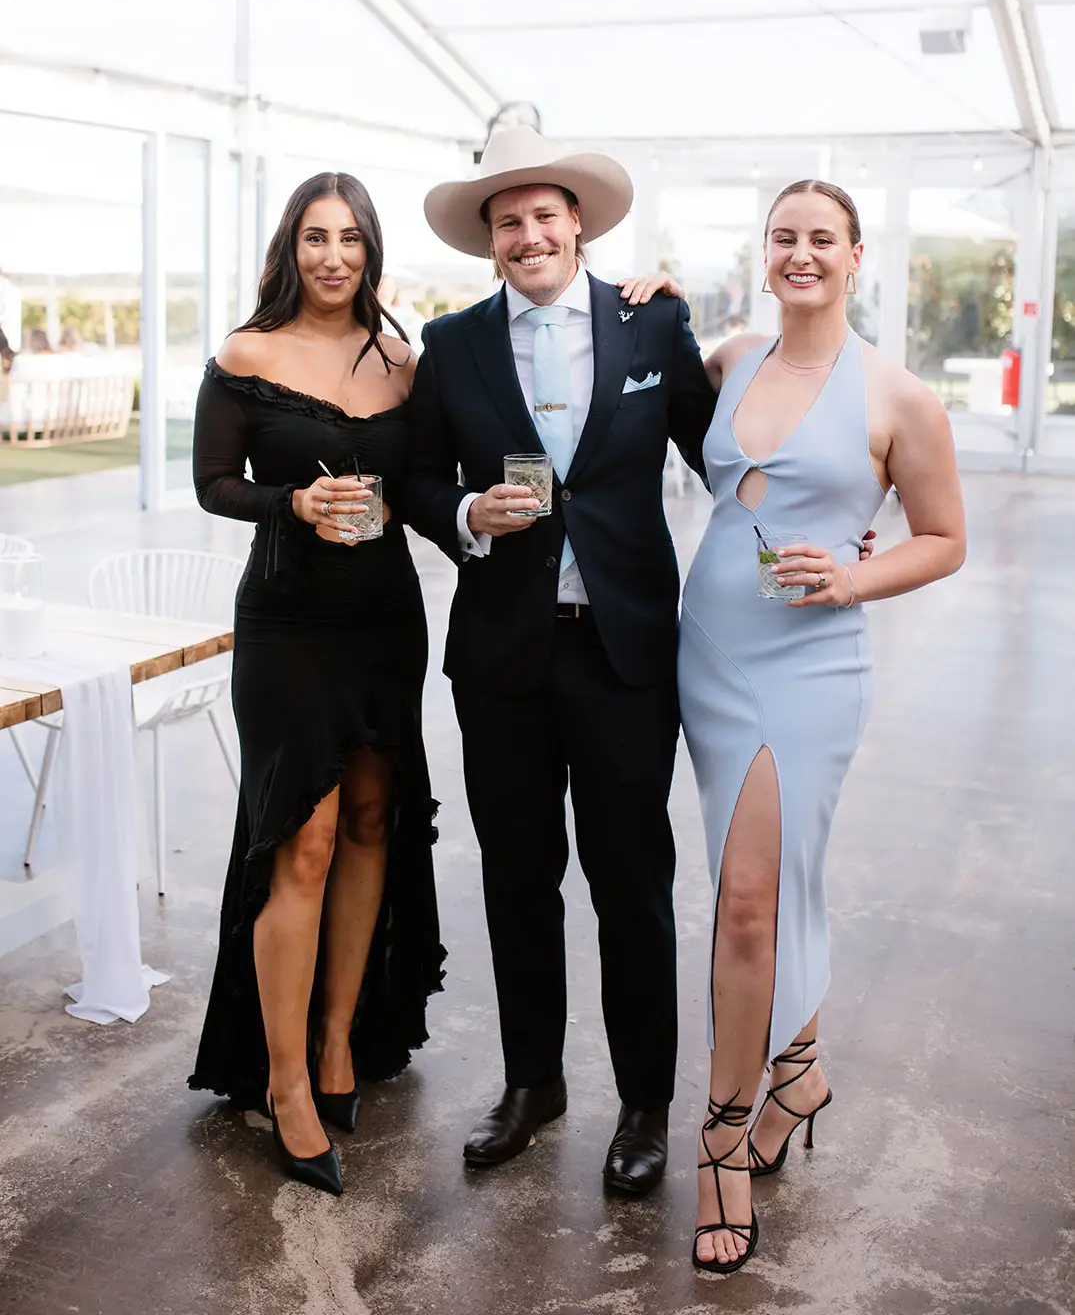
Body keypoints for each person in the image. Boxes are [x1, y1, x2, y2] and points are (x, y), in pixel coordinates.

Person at [405, 124, 717, 1196]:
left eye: (544, 214)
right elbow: (416, 479)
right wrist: (464, 512)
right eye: (508, 221)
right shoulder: (451, 345)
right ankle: (532, 1083)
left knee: (631, 885)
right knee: (517, 879)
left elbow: (720, 449)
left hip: (623, 654)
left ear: (577, 223)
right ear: (488, 239)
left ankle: (645, 1103)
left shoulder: (651, 321)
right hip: (503, 660)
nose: (528, 234)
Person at [678, 179, 966, 1273]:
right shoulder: (731, 360)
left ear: (854, 258)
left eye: (821, 240)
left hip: (809, 665)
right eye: (782, 237)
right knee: (760, 882)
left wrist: (851, 579)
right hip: (709, 653)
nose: (800, 254)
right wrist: (649, 293)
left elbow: (942, 538)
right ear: (765, 255)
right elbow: (682, 398)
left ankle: (721, 1140)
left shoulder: (899, 397)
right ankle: (797, 1075)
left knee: (749, 901)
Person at [188, 172, 445, 1196]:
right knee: (303, 837)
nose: (332, 256)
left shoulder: (404, 362)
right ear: (289, 249)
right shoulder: (245, 355)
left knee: (373, 821)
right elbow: (212, 484)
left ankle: (340, 1039)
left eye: (349, 238)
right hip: (287, 623)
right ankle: (286, 1080)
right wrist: (290, 502)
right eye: (314, 237)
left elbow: (425, 484)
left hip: (385, 619)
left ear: (371, 250)